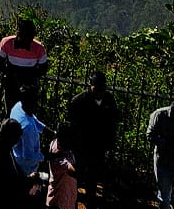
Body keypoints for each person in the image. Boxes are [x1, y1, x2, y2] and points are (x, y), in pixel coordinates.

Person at [66, 71, 121, 205]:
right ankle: (73, 198)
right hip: (82, 145)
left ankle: (90, 199)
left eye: (102, 88)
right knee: (77, 173)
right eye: (97, 88)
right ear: (91, 86)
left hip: (99, 146)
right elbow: (71, 125)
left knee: (94, 174)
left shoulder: (109, 100)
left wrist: (110, 143)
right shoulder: (79, 101)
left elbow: (113, 122)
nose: (99, 92)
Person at [0, 118, 41, 208]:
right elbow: (12, 188)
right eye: (16, 139)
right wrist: (30, 181)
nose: (17, 142)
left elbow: (13, 166)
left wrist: (26, 178)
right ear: (9, 137)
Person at [0, 18, 49, 110]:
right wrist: (10, 75)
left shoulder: (39, 48)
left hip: (29, 87)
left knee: (27, 113)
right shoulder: (6, 43)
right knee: (10, 112)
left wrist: (28, 78)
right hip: (11, 84)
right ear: (19, 34)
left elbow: (43, 69)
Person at [9, 83, 48, 177]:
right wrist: (45, 156)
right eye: (35, 99)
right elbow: (28, 155)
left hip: (15, 156)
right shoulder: (28, 127)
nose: (37, 101)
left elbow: (33, 119)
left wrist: (48, 131)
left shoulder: (18, 106)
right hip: (26, 167)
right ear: (30, 101)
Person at [47, 124, 79, 209]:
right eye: (71, 137)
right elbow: (75, 172)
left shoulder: (58, 143)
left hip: (67, 197)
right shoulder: (58, 155)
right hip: (59, 201)